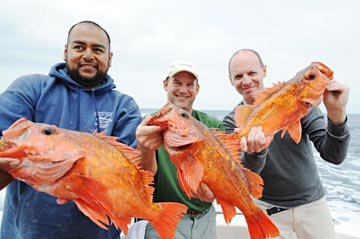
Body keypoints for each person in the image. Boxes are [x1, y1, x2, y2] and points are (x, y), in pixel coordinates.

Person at [0, 20, 142, 239]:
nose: (88, 55)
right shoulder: (30, 89)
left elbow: (134, 174)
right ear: (65, 52)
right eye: (79, 47)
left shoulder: (124, 107)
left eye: (97, 49)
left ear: (109, 58)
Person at [223, 48, 350, 239]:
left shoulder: (303, 105)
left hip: (313, 208)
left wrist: (336, 114)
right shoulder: (232, 124)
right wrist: (256, 152)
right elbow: (243, 178)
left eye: (252, 73)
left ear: (264, 70)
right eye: (238, 76)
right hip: (268, 211)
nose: (246, 81)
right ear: (231, 80)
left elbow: (334, 156)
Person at [135, 60, 225, 239]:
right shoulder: (147, 126)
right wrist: (145, 148)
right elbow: (143, 179)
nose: (183, 90)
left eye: (189, 84)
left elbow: (223, 173)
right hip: (164, 219)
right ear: (165, 84)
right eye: (177, 83)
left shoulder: (213, 126)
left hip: (206, 218)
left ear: (197, 89)